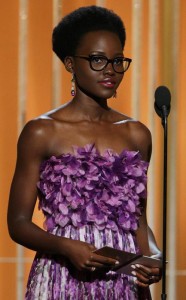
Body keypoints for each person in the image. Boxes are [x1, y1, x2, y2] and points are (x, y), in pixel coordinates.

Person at [8, 5, 162, 300]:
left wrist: (153, 256)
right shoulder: (42, 131)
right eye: (97, 59)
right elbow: (18, 223)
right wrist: (66, 246)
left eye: (118, 61)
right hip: (61, 278)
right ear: (70, 63)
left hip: (124, 281)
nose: (110, 70)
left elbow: (138, 221)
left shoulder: (137, 134)